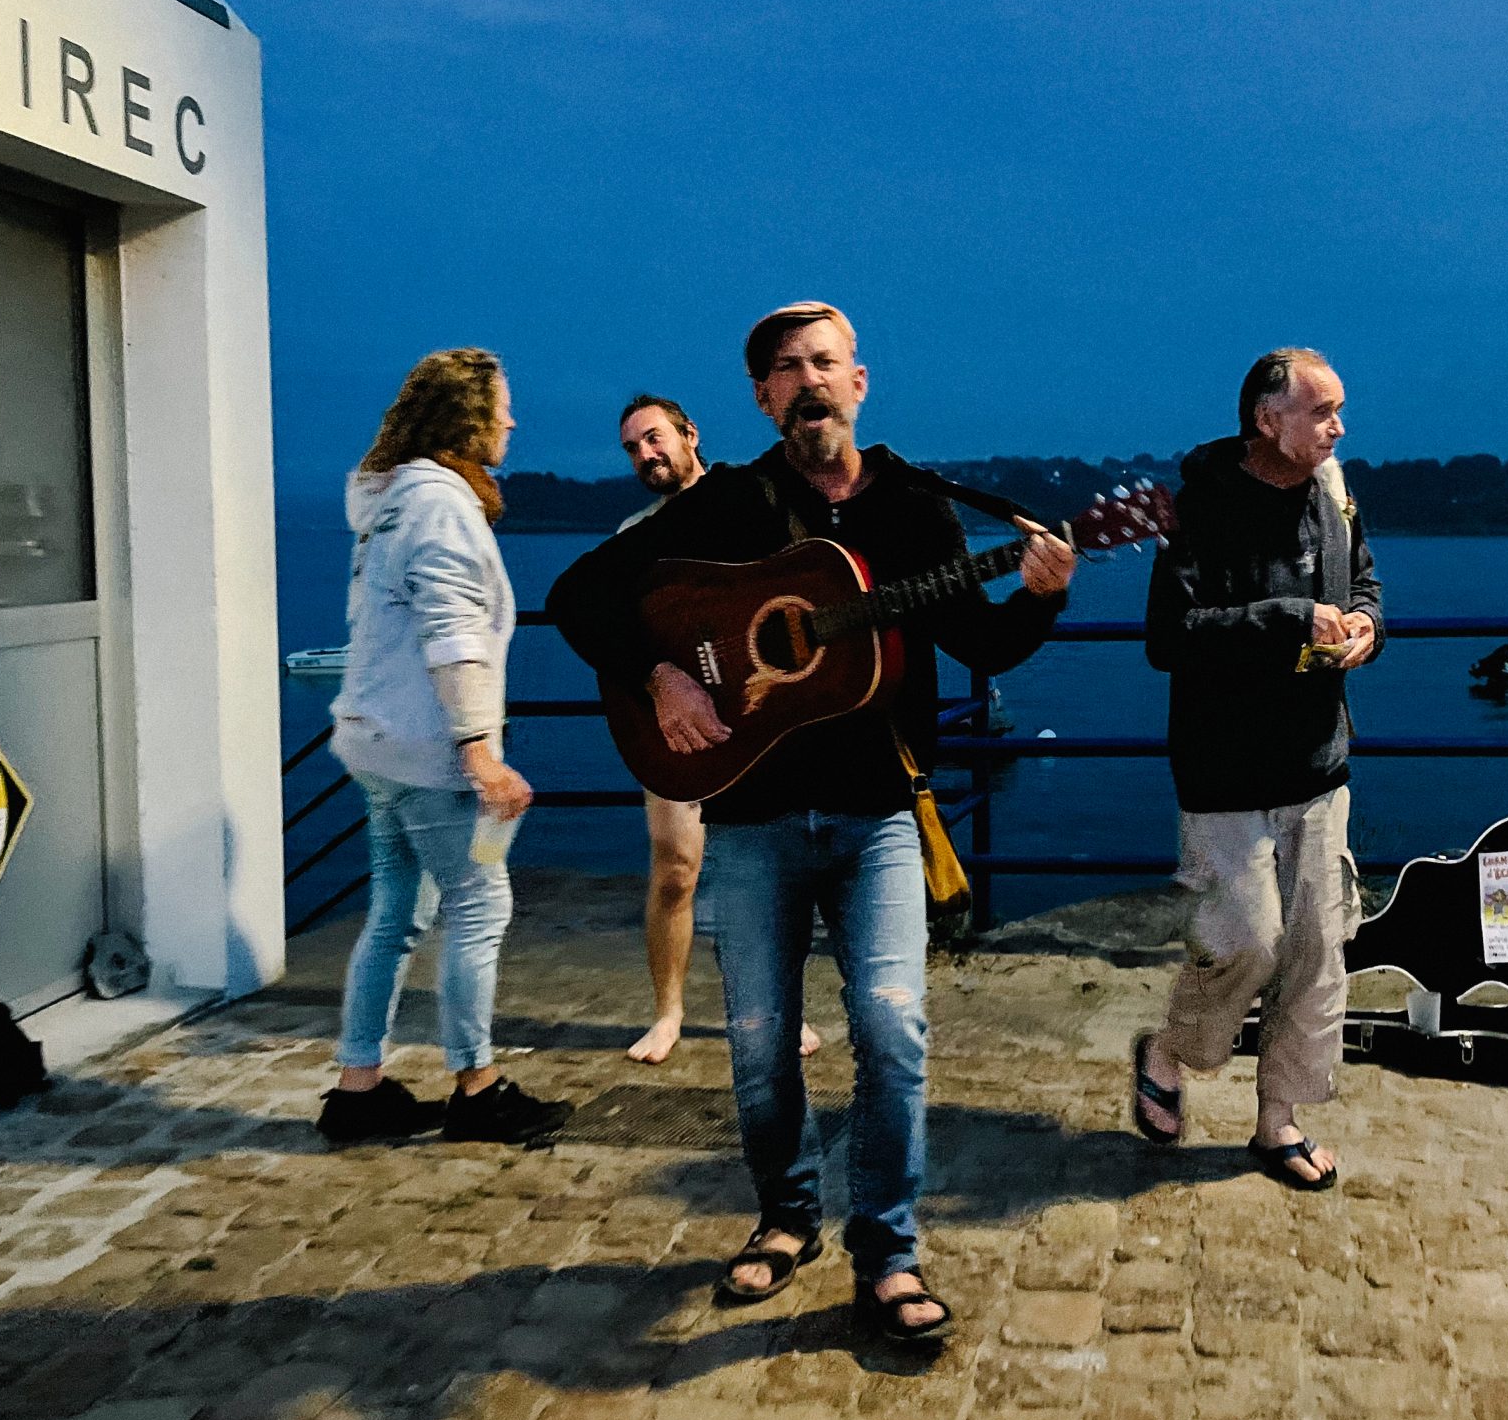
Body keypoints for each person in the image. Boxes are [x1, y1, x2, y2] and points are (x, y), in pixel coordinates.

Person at [548, 302, 1075, 1337]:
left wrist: (1042, 595)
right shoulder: (728, 504)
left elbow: (984, 644)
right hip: (751, 811)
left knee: (891, 1027)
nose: (809, 382)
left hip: (879, 810)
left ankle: (889, 1253)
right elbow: (580, 596)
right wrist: (661, 676)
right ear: (761, 398)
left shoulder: (918, 509)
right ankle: (786, 1218)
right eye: (786, 370)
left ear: (859, 381)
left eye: (825, 362)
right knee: (758, 1043)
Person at [1131, 348, 1382, 1190]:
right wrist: (1288, 620)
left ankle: (1280, 1122)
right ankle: (1170, 1050)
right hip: (1225, 771)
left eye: (1339, 410)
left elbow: (1367, 584)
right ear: (1268, 421)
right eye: (1322, 412)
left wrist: (1367, 629)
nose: (1339, 427)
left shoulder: (1335, 491)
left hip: (1317, 764)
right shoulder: (1199, 505)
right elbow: (1169, 637)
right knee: (1247, 944)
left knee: (1316, 955)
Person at [318, 348, 571, 1147]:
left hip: (377, 746)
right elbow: (453, 632)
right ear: (467, 417)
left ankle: (359, 1092)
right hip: (430, 753)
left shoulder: (394, 503)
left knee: (397, 912)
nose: (512, 421)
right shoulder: (440, 505)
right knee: (479, 905)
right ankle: (477, 1091)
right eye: (501, 406)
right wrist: (478, 750)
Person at [610, 392, 824, 1068]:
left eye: (654, 438)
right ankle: (668, 1012)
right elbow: (614, 636)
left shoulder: (748, 507)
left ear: (689, 434)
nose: (646, 454)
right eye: (633, 448)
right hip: (675, 723)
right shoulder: (633, 535)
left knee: (775, 870)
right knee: (676, 870)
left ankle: (783, 1008)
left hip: (757, 719)